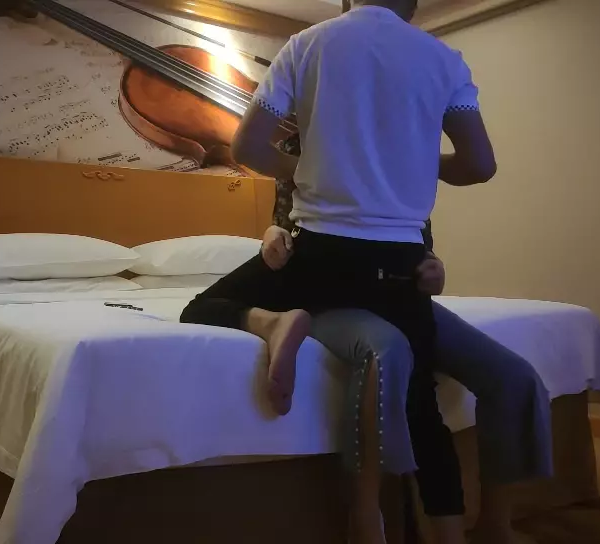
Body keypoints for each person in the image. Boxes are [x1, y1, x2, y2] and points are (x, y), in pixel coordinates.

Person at [180, 1, 498, 542]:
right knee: (421, 404)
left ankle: (273, 321)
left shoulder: (308, 45)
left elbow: (248, 146)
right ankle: (451, 536)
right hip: (399, 263)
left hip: (319, 257)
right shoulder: (444, 59)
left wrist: (314, 170)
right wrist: (412, 163)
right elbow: (479, 165)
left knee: (201, 307)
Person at [265, 131, 552, 544]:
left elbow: (419, 244)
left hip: (400, 295)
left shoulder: (403, 141)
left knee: (513, 378)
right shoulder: (302, 143)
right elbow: (286, 226)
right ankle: (370, 516)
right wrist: (273, 238)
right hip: (329, 299)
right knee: (392, 357)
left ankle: (496, 525)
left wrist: (433, 268)